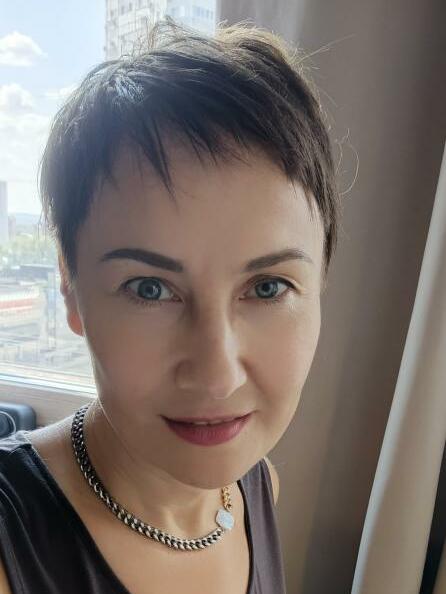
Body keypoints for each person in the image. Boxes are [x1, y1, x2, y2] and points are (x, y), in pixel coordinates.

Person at [0, 18, 339, 594]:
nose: (217, 377)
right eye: (149, 288)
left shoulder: (255, 485)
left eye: (267, 287)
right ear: (70, 287)